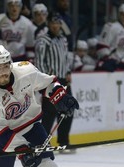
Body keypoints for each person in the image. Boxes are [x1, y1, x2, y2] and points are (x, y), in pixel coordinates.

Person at [35, 12, 75, 153]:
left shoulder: (63, 40)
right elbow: (39, 62)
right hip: (51, 80)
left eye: (58, 23)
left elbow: (66, 58)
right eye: (52, 23)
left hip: (64, 79)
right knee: (49, 113)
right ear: (49, 24)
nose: (55, 25)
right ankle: (43, 143)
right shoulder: (43, 40)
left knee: (68, 110)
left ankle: (64, 141)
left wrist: (68, 71)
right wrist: (46, 80)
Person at [96, 4, 124, 74]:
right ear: (119, 15)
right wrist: (108, 59)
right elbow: (101, 46)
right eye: (123, 14)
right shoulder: (110, 27)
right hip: (111, 64)